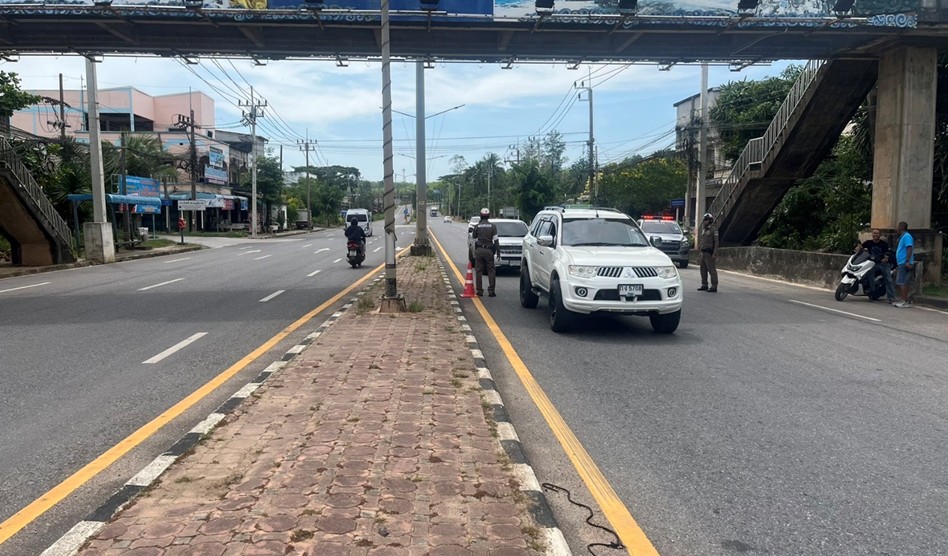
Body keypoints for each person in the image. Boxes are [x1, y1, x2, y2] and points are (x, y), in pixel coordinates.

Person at [855, 228, 896, 303]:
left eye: (877, 233)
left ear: (880, 235)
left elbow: (887, 253)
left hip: (883, 263)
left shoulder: (884, 244)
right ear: (872, 234)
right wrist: (858, 248)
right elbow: (861, 247)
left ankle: (891, 297)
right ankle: (872, 292)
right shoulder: (868, 242)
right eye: (874, 233)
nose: (875, 234)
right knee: (869, 274)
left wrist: (885, 259)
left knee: (888, 279)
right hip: (872, 263)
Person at [471, 207, 499, 297]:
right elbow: (496, 240)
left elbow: (474, 238)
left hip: (479, 250)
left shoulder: (477, 226)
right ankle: (491, 291)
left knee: (479, 271)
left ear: (480, 216)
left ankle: (479, 291)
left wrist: (475, 251)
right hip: (489, 251)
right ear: (489, 216)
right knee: (491, 270)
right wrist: (498, 251)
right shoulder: (493, 226)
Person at [894, 221, 914, 308]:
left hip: (904, 262)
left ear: (901, 227)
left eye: (897, 227)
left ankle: (904, 301)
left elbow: (909, 248)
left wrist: (907, 261)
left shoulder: (906, 236)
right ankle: (905, 300)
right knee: (904, 281)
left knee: (901, 281)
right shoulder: (903, 237)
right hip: (902, 262)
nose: (896, 229)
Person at [697, 213, 719, 293]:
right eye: (704, 220)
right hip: (703, 252)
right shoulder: (704, 230)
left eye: (706, 220)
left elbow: (716, 242)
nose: (704, 221)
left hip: (709, 253)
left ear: (710, 221)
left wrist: (714, 253)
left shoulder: (713, 230)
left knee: (711, 270)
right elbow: (703, 241)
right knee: (702, 270)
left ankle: (714, 286)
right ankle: (704, 284)